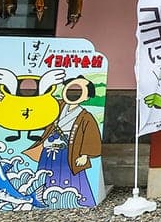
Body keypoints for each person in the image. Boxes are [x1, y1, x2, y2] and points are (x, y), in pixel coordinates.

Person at [23, 75, 103, 207]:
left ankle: (75, 199)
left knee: (71, 176)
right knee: (45, 174)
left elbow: (91, 135)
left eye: (80, 90)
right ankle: (40, 197)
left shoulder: (85, 116)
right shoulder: (56, 106)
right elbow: (35, 106)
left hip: (69, 151)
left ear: (86, 97)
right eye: (71, 87)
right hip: (48, 149)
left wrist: (85, 155)